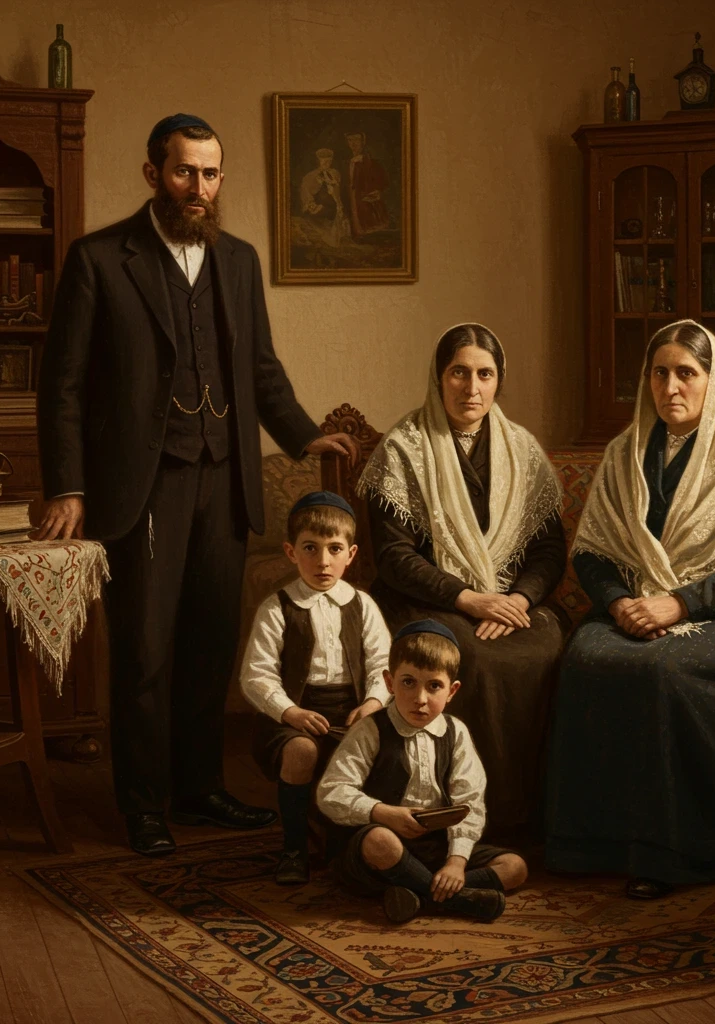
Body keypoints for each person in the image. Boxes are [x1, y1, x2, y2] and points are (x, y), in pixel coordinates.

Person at [35, 113, 359, 857]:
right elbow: (63, 385)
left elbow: (262, 369)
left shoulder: (238, 260)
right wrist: (69, 485)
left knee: (211, 643)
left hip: (225, 478)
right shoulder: (99, 259)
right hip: (142, 484)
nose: (199, 187)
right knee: (145, 651)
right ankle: (143, 804)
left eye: (211, 174)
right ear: (154, 174)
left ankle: (198, 788)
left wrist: (303, 435)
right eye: (185, 171)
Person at [544, 319, 715, 898]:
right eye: (659, 374)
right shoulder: (625, 450)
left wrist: (679, 603)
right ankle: (594, 846)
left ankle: (686, 853)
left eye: (686, 373)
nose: (671, 387)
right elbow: (592, 553)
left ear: (714, 380)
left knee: (663, 670)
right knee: (586, 658)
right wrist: (619, 604)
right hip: (635, 604)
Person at [357, 323, 566, 834]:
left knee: (549, 646)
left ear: (498, 381)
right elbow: (395, 559)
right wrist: (470, 599)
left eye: (484, 375)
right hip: (425, 599)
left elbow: (548, 551)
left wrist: (520, 600)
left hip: (510, 601)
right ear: (438, 377)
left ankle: (536, 817)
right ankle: (471, 820)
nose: (472, 388)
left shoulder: (523, 450)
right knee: (472, 656)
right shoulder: (404, 449)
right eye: (459, 373)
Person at [317, 619, 528, 923]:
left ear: (452, 690)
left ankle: (417, 893)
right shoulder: (370, 729)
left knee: (515, 867)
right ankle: (461, 900)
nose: (420, 699)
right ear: (389, 682)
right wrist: (383, 813)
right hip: (381, 845)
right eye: (408, 683)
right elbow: (331, 792)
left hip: (436, 846)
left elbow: (469, 801)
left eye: (434, 686)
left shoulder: (455, 732)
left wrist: (456, 862)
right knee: (379, 841)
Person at [240, 491, 391, 885]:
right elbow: (256, 675)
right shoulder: (278, 607)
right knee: (302, 751)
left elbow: (383, 665)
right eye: (310, 548)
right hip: (293, 713)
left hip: (352, 710)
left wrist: (373, 703)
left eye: (334, 549)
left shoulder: (363, 605)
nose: (323, 561)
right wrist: (290, 711)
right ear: (291, 552)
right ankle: (294, 849)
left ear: (350, 554)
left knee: (386, 750)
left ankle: (356, 846)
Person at [298, 148, 350, 248]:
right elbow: (306, 195)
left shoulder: (335, 174)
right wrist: (312, 205)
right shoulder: (310, 176)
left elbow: (338, 194)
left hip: (333, 208)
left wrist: (339, 206)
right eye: (324, 161)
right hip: (318, 208)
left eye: (329, 161)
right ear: (318, 161)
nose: (327, 163)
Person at [344, 132, 388, 238]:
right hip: (350, 199)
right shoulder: (346, 162)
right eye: (350, 140)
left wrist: (377, 191)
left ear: (363, 142)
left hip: (365, 200)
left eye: (356, 139)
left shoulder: (372, 163)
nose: (353, 143)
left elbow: (382, 182)